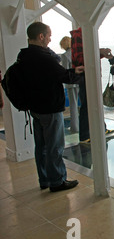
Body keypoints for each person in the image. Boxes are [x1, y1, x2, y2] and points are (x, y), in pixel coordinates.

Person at [19, 22, 84, 192]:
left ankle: (45, 179)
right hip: (50, 107)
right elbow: (63, 76)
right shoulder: (44, 57)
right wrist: (79, 73)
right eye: (48, 35)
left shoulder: (24, 56)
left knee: (41, 146)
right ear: (41, 36)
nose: (50, 39)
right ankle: (57, 181)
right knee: (55, 146)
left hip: (35, 108)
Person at [70, 27, 114, 144]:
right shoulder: (79, 35)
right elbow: (81, 59)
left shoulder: (86, 34)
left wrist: (100, 52)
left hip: (90, 76)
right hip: (85, 76)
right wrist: (99, 51)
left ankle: (101, 129)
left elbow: (87, 55)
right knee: (87, 105)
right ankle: (84, 136)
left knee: (95, 104)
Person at [59, 36, 79, 133]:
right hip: (79, 81)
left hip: (71, 83)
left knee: (73, 105)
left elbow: (65, 71)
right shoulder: (77, 54)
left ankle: (75, 128)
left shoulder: (65, 55)